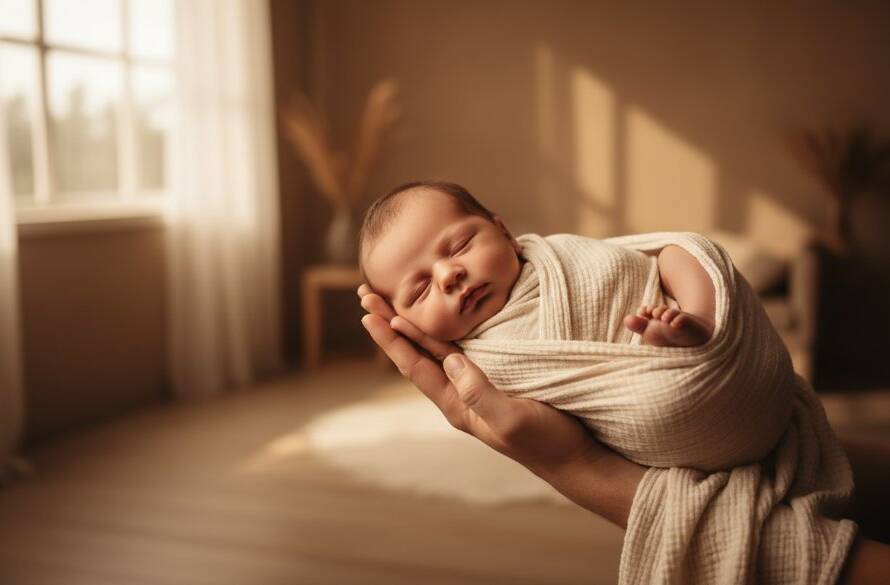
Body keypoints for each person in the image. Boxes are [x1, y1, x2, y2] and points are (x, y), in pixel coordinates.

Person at [358, 302, 890, 584]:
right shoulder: (490, 354)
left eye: (458, 245)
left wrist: (577, 467)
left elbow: (682, 251)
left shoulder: (563, 261)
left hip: (719, 400)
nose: (449, 274)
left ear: (500, 227)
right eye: (420, 288)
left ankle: (679, 356)